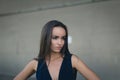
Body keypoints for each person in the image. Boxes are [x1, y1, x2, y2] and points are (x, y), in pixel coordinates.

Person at [13, 20, 100, 80]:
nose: (60, 42)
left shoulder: (73, 60)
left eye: (63, 38)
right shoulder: (35, 63)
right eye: (55, 38)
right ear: (46, 38)